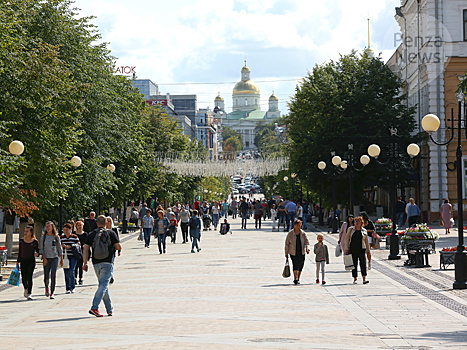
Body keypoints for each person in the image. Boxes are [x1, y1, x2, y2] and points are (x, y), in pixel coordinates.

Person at [83, 215, 121, 317]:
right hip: (108, 262)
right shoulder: (111, 233)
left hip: (96, 262)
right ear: (106, 223)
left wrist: (85, 263)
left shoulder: (92, 234)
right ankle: (94, 307)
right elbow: (118, 246)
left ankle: (109, 309)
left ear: (96, 223)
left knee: (102, 285)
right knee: (103, 285)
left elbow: (85, 248)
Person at [40, 221, 63, 299]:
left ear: (52, 227)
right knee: (46, 275)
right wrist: (44, 259)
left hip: (54, 258)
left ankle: (52, 292)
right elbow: (41, 249)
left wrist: (61, 259)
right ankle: (46, 287)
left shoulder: (56, 237)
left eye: (49, 226)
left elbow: (60, 248)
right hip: (46, 258)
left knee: (53, 275)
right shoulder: (44, 237)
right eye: (46, 226)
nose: (48, 228)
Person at [345, 216, 371, 284]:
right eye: (355, 221)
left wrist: (368, 251)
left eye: (358, 221)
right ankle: (355, 278)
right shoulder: (350, 229)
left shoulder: (364, 230)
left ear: (361, 222)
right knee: (354, 264)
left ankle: (364, 278)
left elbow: (366, 241)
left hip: (361, 248)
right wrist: (346, 248)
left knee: (363, 263)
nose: (356, 223)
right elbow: (347, 239)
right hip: (353, 249)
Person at [284, 219, 310, 285]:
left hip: (302, 252)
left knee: (301, 265)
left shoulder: (303, 233)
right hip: (293, 252)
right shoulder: (290, 234)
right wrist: (286, 253)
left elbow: (307, 242)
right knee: (295, 264)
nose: (299, 227)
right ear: (294, 225)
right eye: (298, 225)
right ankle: (295, 278)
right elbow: (286, 244)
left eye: (300, 225)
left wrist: (307, 248)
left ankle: (298, 278)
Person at [17, 226, 39, 300]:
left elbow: (38, 251)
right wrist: (18, 261)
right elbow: (19, 252)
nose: (25, 233)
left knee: (29, 276)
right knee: (24, 277)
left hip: (31, 261)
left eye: (27, 231)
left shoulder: (35, 241)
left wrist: (37, 254)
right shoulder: (21, 241)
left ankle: (29, 293)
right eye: (25, 231)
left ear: (31, 232)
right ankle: (26, 288)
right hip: (23, 260)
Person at [60, 222, 80, 294]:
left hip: (73, 256)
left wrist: (71, 246)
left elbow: (78, 245)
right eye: (64, 230)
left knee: (71, 271)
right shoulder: (61, 237)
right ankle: (67, 288)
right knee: (66, 272)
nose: (65, 231)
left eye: (67, 230)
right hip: (65, 257)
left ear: (70, 229)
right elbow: (58, 246)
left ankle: (73, 287)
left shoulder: (74, 237)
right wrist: (62, 246)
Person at [74, 220, 87, 285]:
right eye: (78, 225)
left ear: (83, 226)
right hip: (75, 251)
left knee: (81, 265)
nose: (79, 226)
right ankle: (75, 278)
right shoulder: (74, 234)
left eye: (80, 225)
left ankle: (80, 278)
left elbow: (87, 242)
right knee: (75, 265)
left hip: (83, 251)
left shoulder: (85, 234)